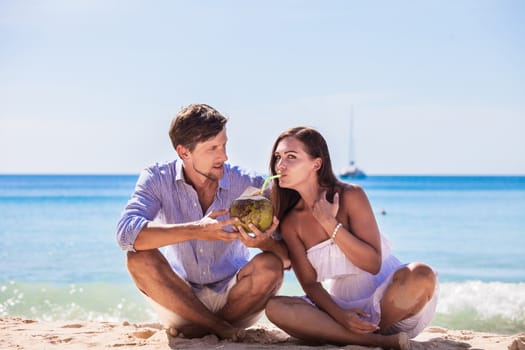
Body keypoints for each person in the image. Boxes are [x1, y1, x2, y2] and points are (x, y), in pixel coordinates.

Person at [116, 103, 289, 341]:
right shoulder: (157, 178)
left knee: (271, 266)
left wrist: (265, 243)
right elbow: (126, 234)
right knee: (137, 257)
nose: (224, 156)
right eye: (213, 148)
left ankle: (204, 328)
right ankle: (218, 328)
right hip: (179, 298)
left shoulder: (250, 184)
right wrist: (196, 230)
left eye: (224, 145)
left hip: (236, 298)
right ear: (184, 152)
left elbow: (287, 259)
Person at [264, 127, 438, 350]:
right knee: (275, 307)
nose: (280, 165)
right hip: (341, 306)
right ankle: (373, 341)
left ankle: (357, 335)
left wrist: (329, 223)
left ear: (316, 164)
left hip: (393, 304)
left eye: (291, 157)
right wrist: (341, 315)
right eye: (278, 157)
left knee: (421, 274)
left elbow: (373, 264)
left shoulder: (350, 195)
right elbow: (310, 284)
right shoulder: (291, 223)